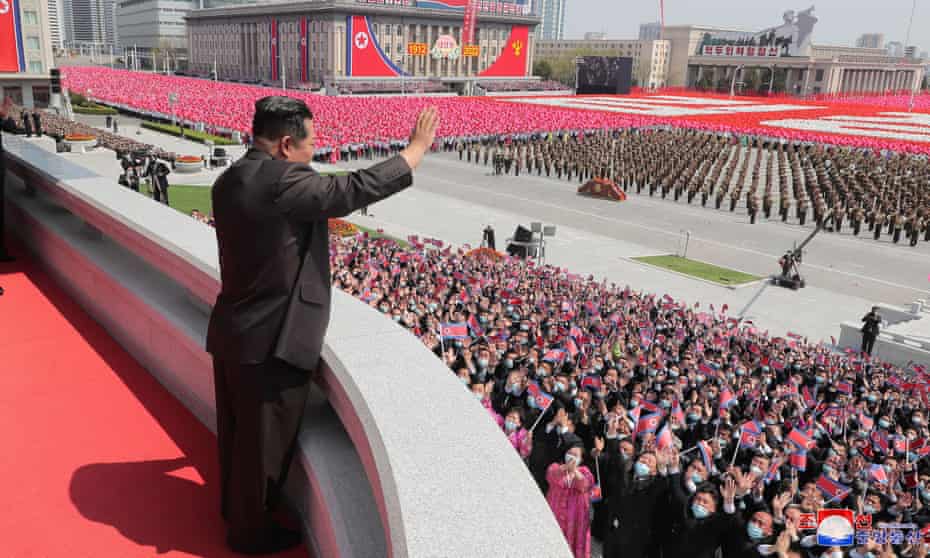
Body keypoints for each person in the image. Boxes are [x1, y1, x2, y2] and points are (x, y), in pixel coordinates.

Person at [205, 96, 438, 554]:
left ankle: (237, 517)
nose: (317, 151)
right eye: (312, 144)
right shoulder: (283, 182)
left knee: (238, 440)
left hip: (234, 329)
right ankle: (248, 537)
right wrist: (413, 153)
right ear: (287, 144)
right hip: (271, 340)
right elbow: (349, 190)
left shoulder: (230, 178)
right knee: (263, 452)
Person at [546, 442, 594, 558]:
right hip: (555, 513)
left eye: (575, 455)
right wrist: (565, 468)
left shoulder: (585, 472)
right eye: (569, 453)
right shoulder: (555, 467)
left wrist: (575, 472)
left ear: (581, 459)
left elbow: (584, 485)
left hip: (576, 517)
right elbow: (551, 477)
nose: (571, 456)